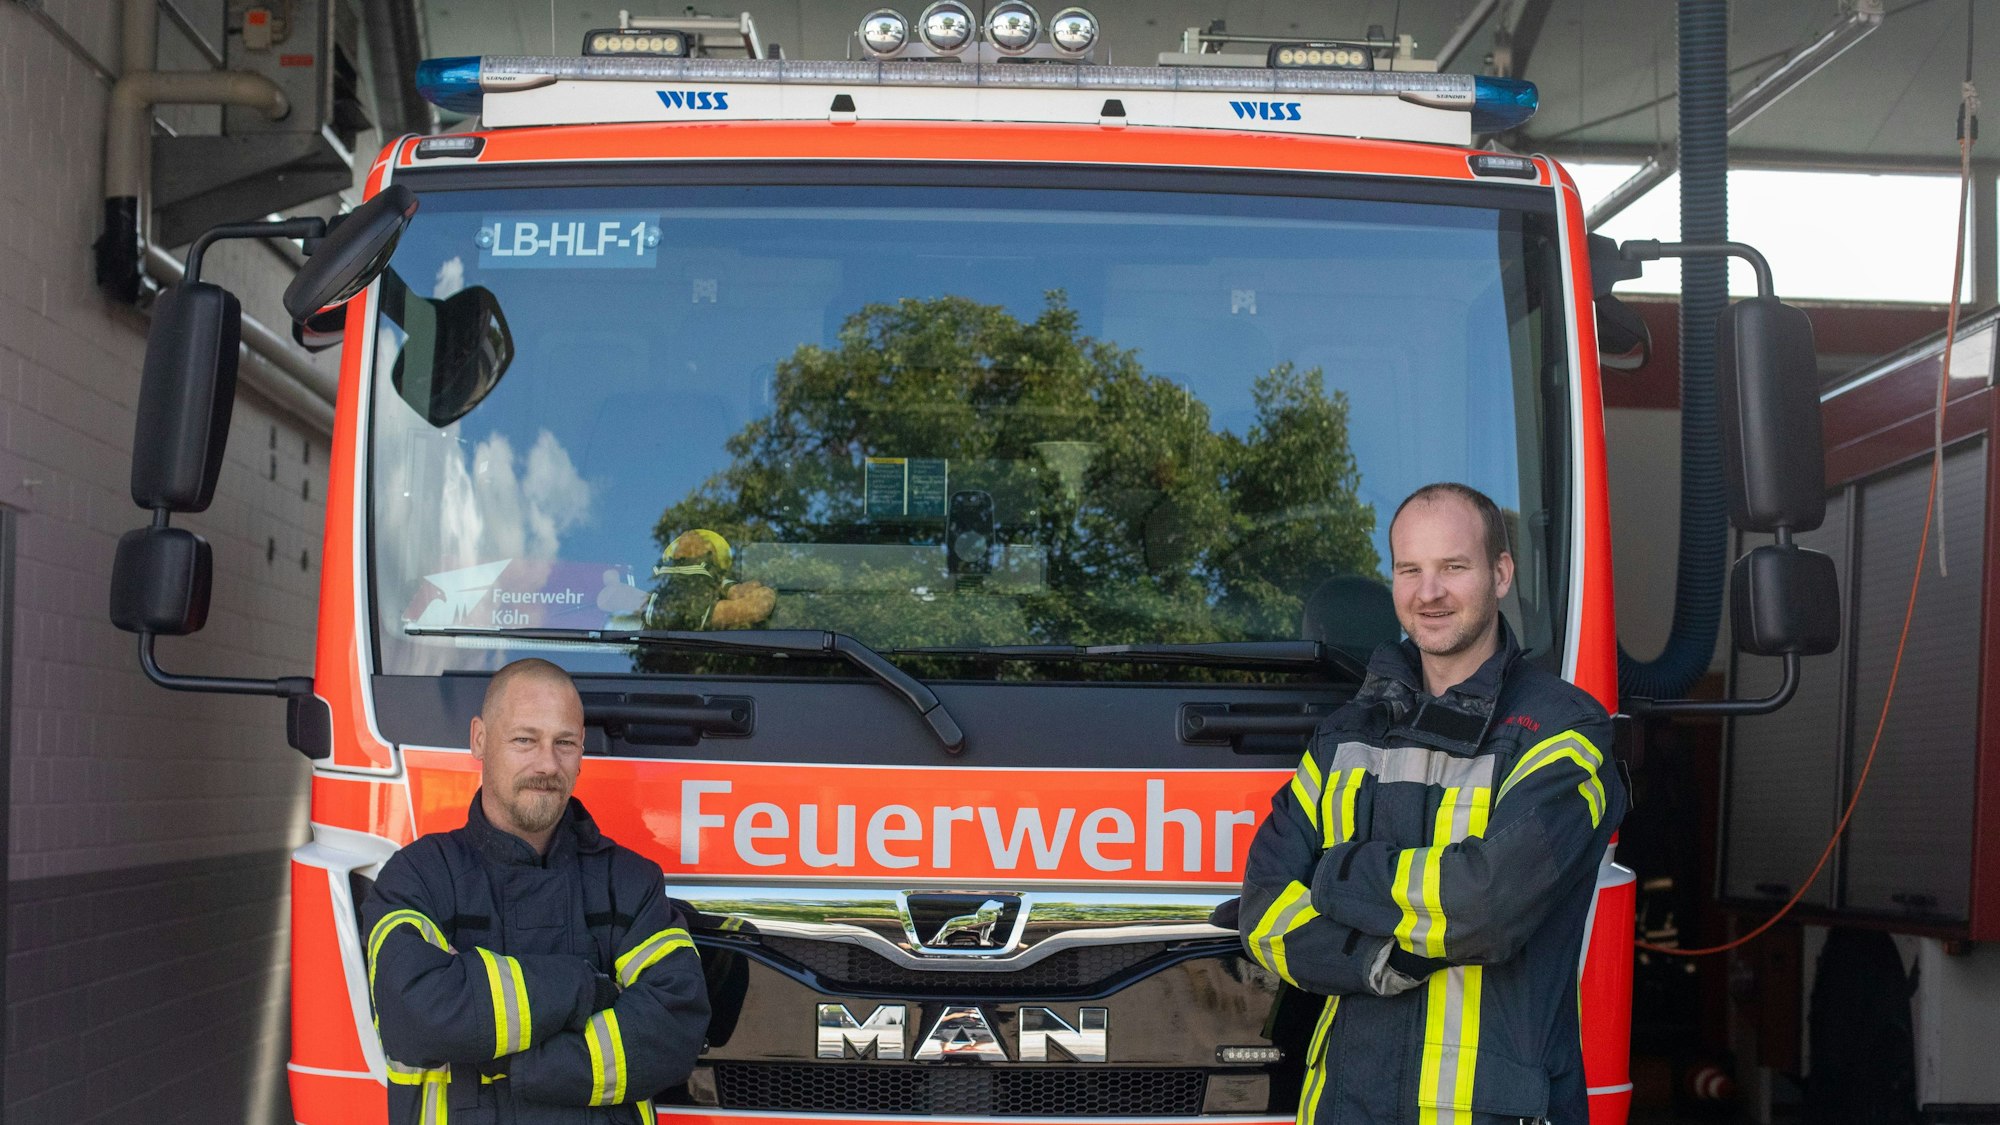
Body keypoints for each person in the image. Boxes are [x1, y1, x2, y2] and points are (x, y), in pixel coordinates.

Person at [1238, 482, 1626, 1125]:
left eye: (1453, 566)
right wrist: (1379, 958)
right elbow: (1263, 910)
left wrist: (1333, 875)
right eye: (1409, 570)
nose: (1429, 592)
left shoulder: (1563, 732)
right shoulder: (1347, 732)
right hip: (1341, 1108)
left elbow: (1486, 905)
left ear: (1501, 574)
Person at [362, 658, 708, 1124]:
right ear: (479, 740)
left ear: (581, 751)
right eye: (525, 740)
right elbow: (413, 1016)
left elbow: (674, 1028)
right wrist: (586, 987)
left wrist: (510, 1064)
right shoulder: (418, 876)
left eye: (564, 743)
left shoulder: (631, 882)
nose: (547, 764)